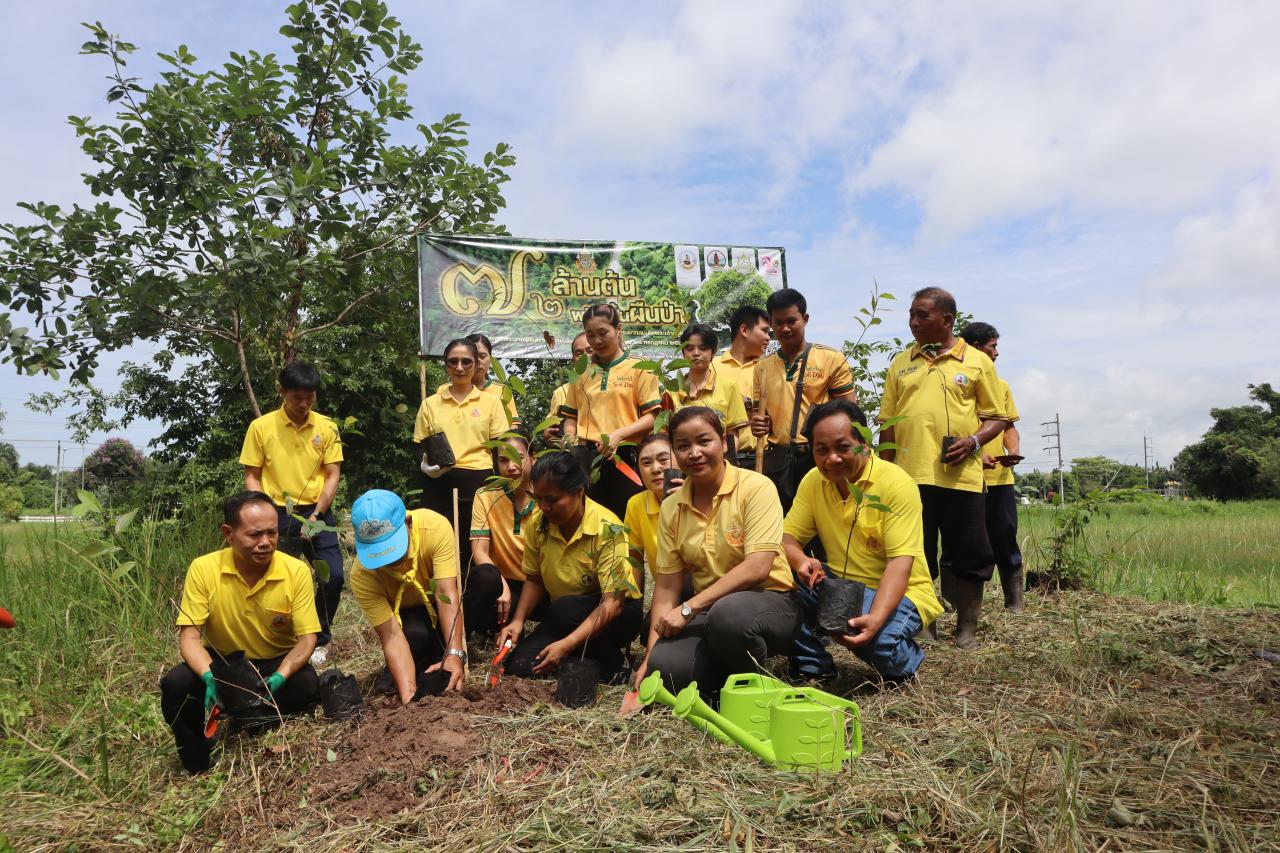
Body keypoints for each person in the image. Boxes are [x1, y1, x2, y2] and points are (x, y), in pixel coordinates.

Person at [635, 407, 801, 700]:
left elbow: (758, 568)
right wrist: (649, 659)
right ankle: (724, 674)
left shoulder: (756, 488)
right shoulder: (672, 507)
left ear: (724, 442)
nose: (694, 453)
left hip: (771, 602)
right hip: (710, 611)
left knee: (729, 617)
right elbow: (666, 588)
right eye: (683, 446)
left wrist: (688, 609)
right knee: (667, 669)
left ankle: (754, 691)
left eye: (704, 441)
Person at [878, 287, 1009, 648]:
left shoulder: (976, 361)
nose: (913, 322)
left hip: (961, 478)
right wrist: (882, 474)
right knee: (914, 555)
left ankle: (967, 629)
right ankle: (923, 625)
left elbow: (997, 417)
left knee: (970, 552)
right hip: (907, 480)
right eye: (911, 315)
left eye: (922, 315)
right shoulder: (901, 363)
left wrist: (974, 441)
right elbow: (887, 423)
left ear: (947, 320)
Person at [160, 491, 320, 774]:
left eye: (272, 533)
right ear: (228, 533)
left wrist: (280, 677)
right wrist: (209, 677)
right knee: (177, 685)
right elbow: (189, 637)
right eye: (254, 535)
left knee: (306, 684)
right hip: (225, 665)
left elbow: (307, 639)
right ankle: (198, 764)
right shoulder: (204, 569)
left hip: (273, 663)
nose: (266, 543)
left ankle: (256, 717)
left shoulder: (296, 571)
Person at [784, 400, 943, 681]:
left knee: (880, 644)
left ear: (865, 444)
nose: (831, 459)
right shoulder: (813, 481)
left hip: (902, 591)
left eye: (843, 448)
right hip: (838, 585)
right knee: (774, 575)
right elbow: (787, 537)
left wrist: (877, 618)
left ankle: (906, 659)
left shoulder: (896, 484)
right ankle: (813, 664)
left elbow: (899, 563)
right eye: (821, 450)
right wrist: (800, 561)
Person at [496, 451, 644, 682]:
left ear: (579, 492)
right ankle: (586, 661)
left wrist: (566, 645)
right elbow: (534, 579)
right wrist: (518, 620)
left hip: (616, 613)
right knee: (521, 668)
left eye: (553, 499)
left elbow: (612, 604)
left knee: (565, 609)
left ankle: (613, 661)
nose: (544, 507)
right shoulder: (539, 525)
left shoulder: (607, 528)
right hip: (563, 616)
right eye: (539, 499)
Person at [240, 362, 343, 665]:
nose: (303, 403)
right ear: (281, 391)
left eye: (309, 397)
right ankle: (274, 642)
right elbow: (252, 474)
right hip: (275, 515)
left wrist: (316, 516)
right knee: (274, 581)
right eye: (297, 396)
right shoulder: (262, 427)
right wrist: (263, 513)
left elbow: (332, 474)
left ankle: (320, 638)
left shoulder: (327, 428)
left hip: (316, 513)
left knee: (333, 576)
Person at [349, 489, 467, 704]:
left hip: (439, 605)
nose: (388, 561)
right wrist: (409, 699)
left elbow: (445, 593)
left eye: (392, 548)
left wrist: (454, 654)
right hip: (408, 615)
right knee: (415, 638)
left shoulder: (434, 527)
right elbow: (391, 635)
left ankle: (440, 650)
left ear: (409, 523)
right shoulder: (361, 574)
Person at [413, 337, 511, 582]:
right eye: (453, 361)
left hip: (479, 482)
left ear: (477, 363)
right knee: (437, 543)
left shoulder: (491, 402)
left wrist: (502, 486)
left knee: (473, 546)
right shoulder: (430, 404)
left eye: (466, 361)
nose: (459, 367)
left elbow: (501, 448)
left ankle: (473, 604)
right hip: (439, 482)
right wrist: (425, 467)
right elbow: (419, 445)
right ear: (446, 365)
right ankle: (441, 602)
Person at [751, 288, 855, 510]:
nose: (785, 328)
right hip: (779, 463)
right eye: (778, 322)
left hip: (818, 458)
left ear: (805, 319)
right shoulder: (762, 368)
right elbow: (761, 417)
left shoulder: (830, 358)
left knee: (825, 530)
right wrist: (759, 423)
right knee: (785, 528)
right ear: (771, 322)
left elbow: (850, 414)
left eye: (792, 321)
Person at [558, 304, 662, 518]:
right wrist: (569, 439)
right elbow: (571, 417)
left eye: (603, 333)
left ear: (619, 329)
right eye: (591, 335)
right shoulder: (581, 372)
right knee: (589, 520)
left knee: (628, 518)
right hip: (586, 459)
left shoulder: (641, 367)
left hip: (625, 456)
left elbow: (652, 417)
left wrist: (618, 435)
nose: (597, 341)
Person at [958, 322, 1024, 611]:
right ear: (974, 348)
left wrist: (1013, 451)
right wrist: (975, 456)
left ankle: (1015, 602)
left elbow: (1008, 426)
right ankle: (967, 607)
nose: (997, 352)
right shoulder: (955, 384)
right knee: (967, 545)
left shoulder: (1002, 386)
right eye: (992, 346)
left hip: (998, 479)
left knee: (1004, 536)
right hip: (963, 479)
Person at [470, 431, 541, 633]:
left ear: (533, 458)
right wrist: (501, 585)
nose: (511, 467)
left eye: (518, 458)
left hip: (540, 584)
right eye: (503, 460)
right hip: (505, 583)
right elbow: (479, 550)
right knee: (485, 577)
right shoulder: (485, 496)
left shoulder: (546, 496)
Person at [623, 432, 693, 600]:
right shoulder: (636, 504)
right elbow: (634, 557)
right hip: (669, 592)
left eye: (663, 460)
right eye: (646, 463)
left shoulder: (701, 493)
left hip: (709, 588)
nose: (655, 469)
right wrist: (632, 602)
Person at [669, 323, 748, 459]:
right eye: (689, 348)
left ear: (713, 351)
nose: (696, 353)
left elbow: (733, 435)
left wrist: (722, 465)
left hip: (719, 466)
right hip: (683, 465)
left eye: (703, 348)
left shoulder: (728, 386)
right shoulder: (671, 391)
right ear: (683, 352)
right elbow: (666, 437)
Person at [714, 305, 771, 468]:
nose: (768, 338)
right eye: (765, 331)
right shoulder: (712, 368)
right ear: (744, 330)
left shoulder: (770, 369)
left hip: (764, 460)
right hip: (723, 463)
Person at [544, 333, 591, 444]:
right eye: (579, 353)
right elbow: (549, 431)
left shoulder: (612, 385)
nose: (585, 357)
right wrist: (548, 435)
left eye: (590, 351)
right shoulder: (560, 392)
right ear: (573, 360)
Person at [467, 332, 521, 429]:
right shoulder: (448, 390)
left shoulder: (503, 391)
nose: (478, 361)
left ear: (490, 359)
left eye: (482, 356)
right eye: (473, 356)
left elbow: (513, 426)